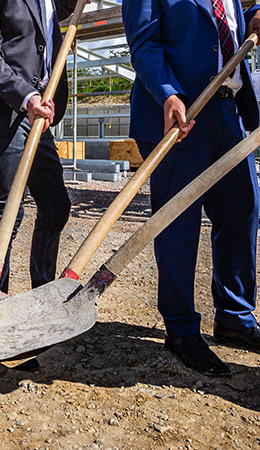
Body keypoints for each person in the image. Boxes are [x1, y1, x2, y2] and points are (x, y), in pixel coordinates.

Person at [123, 0, 260, 377]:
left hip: (228, 108)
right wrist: (168, 92)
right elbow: (144, 42)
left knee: (242, 209)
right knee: (177, 223)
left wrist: (253, 16)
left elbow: (231, 22)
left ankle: (235, 316)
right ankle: (181, 329)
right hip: (181, 113)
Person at [0, 1, 75, 299]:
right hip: (6, 110)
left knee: (55, 206)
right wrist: (26, 95)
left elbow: (61, 11)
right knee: (6, 214)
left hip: (38, 114)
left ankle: (41, 295)